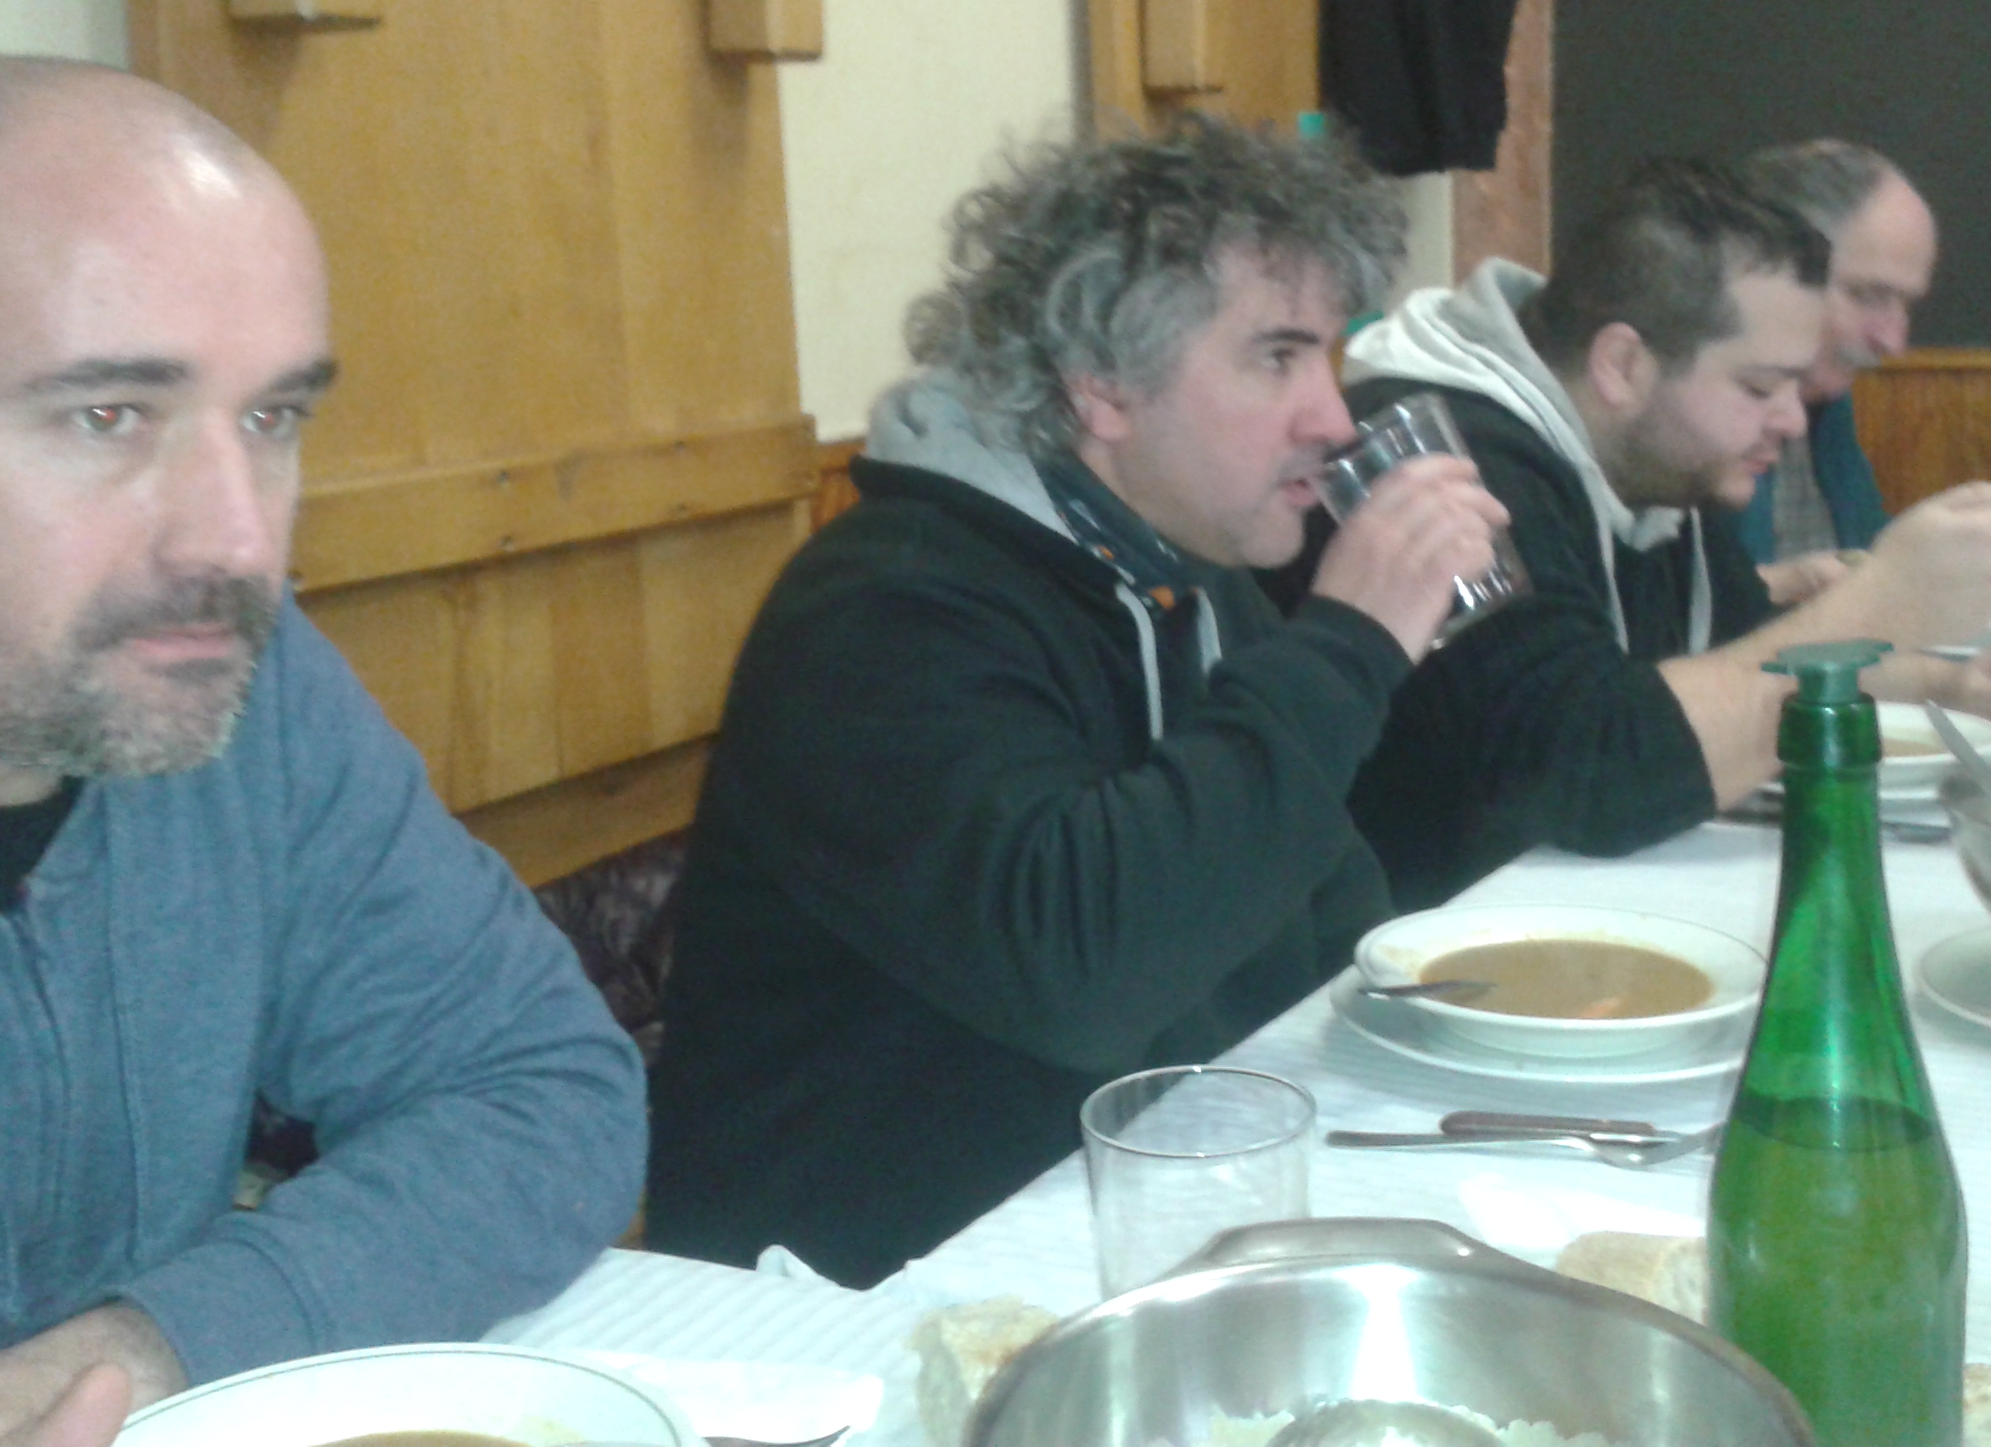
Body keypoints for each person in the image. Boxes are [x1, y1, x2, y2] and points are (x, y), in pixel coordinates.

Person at [0, 58, 646, 1444]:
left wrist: (144, 1355)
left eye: (273, 419)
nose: (237, 543)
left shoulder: (234, 688)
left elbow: (542, 1090)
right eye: (108, 417)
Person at [643, 117, 1504, 1285]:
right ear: (1102, 383)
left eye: (1330, 358)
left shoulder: (1188, 578)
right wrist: (1347, 647)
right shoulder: (884, 609)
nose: (1334, 419)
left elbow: (1323, 924)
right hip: (854, 1295)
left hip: (1129, 1208)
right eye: (1277, 359)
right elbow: (1084, 975)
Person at [1332, 157, 1991, 909]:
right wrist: (1882, 603)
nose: (1792, 421)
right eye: (1759, 386)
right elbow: (1589, 777)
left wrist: (1952, 686)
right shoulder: (1437, 458)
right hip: (1400, 950)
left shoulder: (1657, 453)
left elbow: (1745, 643)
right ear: (1623, 364)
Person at [1732, 139, 1940, 603]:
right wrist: (1793, 581)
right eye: (1868, 295)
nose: (1893, 342)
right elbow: (1677, 614)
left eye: (1905, 304)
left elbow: (1862, 559)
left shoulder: (1826, 395)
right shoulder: (1687, 408)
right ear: (1768, 267)